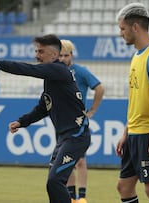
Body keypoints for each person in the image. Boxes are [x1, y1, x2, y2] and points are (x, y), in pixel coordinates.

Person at [0, 34, 90, 203]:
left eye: (41, 51)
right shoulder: (53, 78)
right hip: (65, 137)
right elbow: (43, 106)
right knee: (53, 184)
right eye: (36, 50)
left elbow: (29, 69)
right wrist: (22, 122)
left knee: (55, 182)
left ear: (54, 55)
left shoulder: (58, 69)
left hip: (76, 136)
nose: (36, 55)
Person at [115, 3, 149, 203]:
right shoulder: (137, 56)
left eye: (122, 28)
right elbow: (137, 100)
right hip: (135, 133)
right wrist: (126, 132)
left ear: (135, 27)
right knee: (124, 187)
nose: (121, 34)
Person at [59, 39, 104, 203]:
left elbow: (99, 88)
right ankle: (71, 197)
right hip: (62, 124)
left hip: (78, 123)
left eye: (66, 55)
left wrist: (91, 111)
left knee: (81, 161)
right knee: (66, 160)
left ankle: (82, 196)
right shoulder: (56, 72)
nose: (63, 58)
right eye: (60, 55)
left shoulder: (80, 71)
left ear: (72, 55)